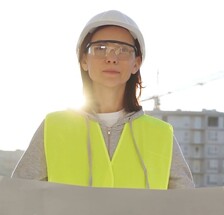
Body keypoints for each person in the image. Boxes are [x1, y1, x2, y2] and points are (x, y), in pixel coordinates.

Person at [11, 10, 194, 189]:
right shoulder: (53, 127)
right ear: (84, 61)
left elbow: (186, 207)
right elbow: (19, 201)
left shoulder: (161, 135)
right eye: (100, 49)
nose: (112, 58)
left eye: (123, 50)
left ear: (136, 64)